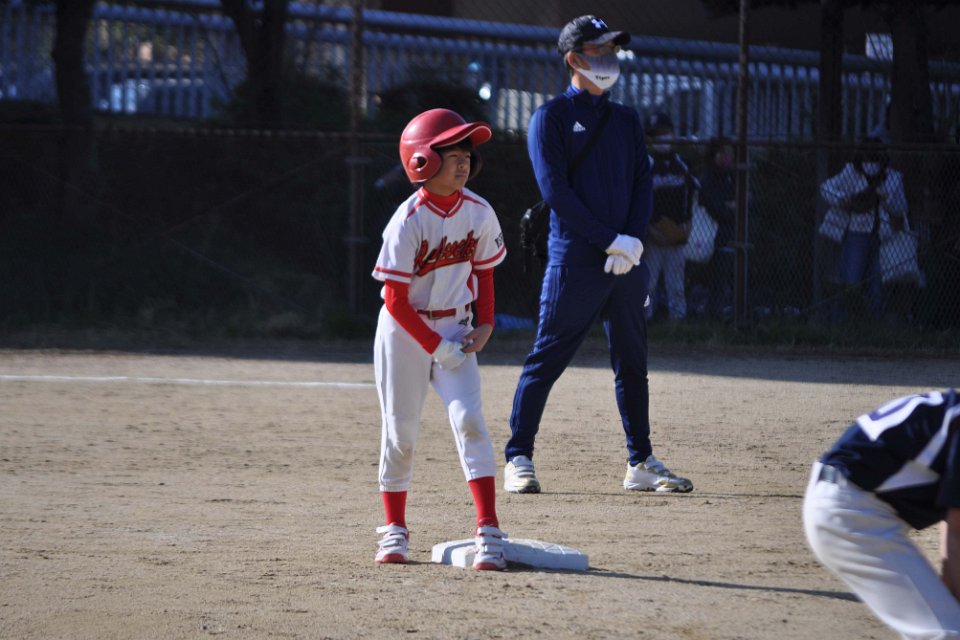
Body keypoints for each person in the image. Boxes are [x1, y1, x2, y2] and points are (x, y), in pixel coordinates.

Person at [503, 15, 693, 495]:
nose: (609, 58)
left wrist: (633, 242)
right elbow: (556, 192)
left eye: (612, 50)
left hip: (627, 259)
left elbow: (642, 183)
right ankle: (518, 457)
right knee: (547, 358)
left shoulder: (626, 119)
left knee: (633, 361)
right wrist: (610, 240)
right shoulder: (550, 117)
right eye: (599, 50)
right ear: (573, 59)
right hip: (576, 259)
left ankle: (640, 461)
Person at [371, 108, 508, 570]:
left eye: (467, 152)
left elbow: (484, 273)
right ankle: (395, 529)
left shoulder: (479, 211)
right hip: (405, 332)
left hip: (456, 326)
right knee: (401, 432)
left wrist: (485, 323)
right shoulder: (407, 220)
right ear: (422, 160)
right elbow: (395, 299)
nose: (464, 160)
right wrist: (434, 345)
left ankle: (488, 528)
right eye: (452, 153)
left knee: (470, 421)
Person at [803, 390, 960, 639]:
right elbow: (957, 530)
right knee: (946, 633)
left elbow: (951, 522)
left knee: (946, 625)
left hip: (849, 505)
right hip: (853, 515)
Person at [819, 138, 908, 322]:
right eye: (868, 160)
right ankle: (841, 322)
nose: (871, 165)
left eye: (874, 161)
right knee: (851, 280)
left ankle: (873, 324)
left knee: (877, 285)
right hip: (856, 233)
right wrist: (842, 199)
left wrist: (887, 198)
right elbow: (826, 188)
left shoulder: (892, 178)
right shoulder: (852, 172)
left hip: (883, 237)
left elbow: (901, 208)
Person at [644, 112, 700, 321]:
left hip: (676, 232)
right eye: (656, 135)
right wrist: (650, 229)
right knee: (648, 283)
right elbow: (639, 200)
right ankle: (644, 320)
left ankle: (677, 321)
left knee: (676, 283)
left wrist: (687, 225)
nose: (661, 138)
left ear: (673, 135)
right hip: (654, 233)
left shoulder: (682, 164)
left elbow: (690, 195)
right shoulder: (646, 164)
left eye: (665, 132)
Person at [697, 137, 736, 319]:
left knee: (725, 276)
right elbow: (715, 207)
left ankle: (719, 312)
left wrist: (731, 207)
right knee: (716, 277)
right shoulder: (709, 178)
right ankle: (713, 315)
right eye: (722, 153)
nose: (727, 157)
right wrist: (729, 207)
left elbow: (745, 203)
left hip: (728, 233)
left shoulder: (732, 176)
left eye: (729, 153)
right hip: (711, 235)